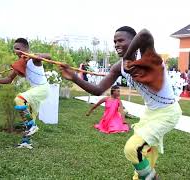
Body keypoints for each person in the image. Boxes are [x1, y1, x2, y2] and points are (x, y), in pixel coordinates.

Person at [59, 26, 182, 179]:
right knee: (143, 162)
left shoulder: (147, 55)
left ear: (133, 41)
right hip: (150, 113)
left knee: (132, 149)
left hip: (168, 112)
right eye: (114, 41)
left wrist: (129, 57)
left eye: (121, 40)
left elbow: (145, 33)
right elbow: (98, 90)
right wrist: (75, 78)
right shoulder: (119, 67)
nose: (116, 44)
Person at [0, 38, 50, 149]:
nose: (16, 51)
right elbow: (8, 79)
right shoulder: (20, 63)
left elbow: (49, 56)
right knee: (30, 116)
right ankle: (26, 142)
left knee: (19, 99)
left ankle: (32, 126)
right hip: (34, 90)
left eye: (18, 48)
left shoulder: (34, 59)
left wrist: (36, 55)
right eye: (14, 49)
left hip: (43, 89)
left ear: (26, 49)